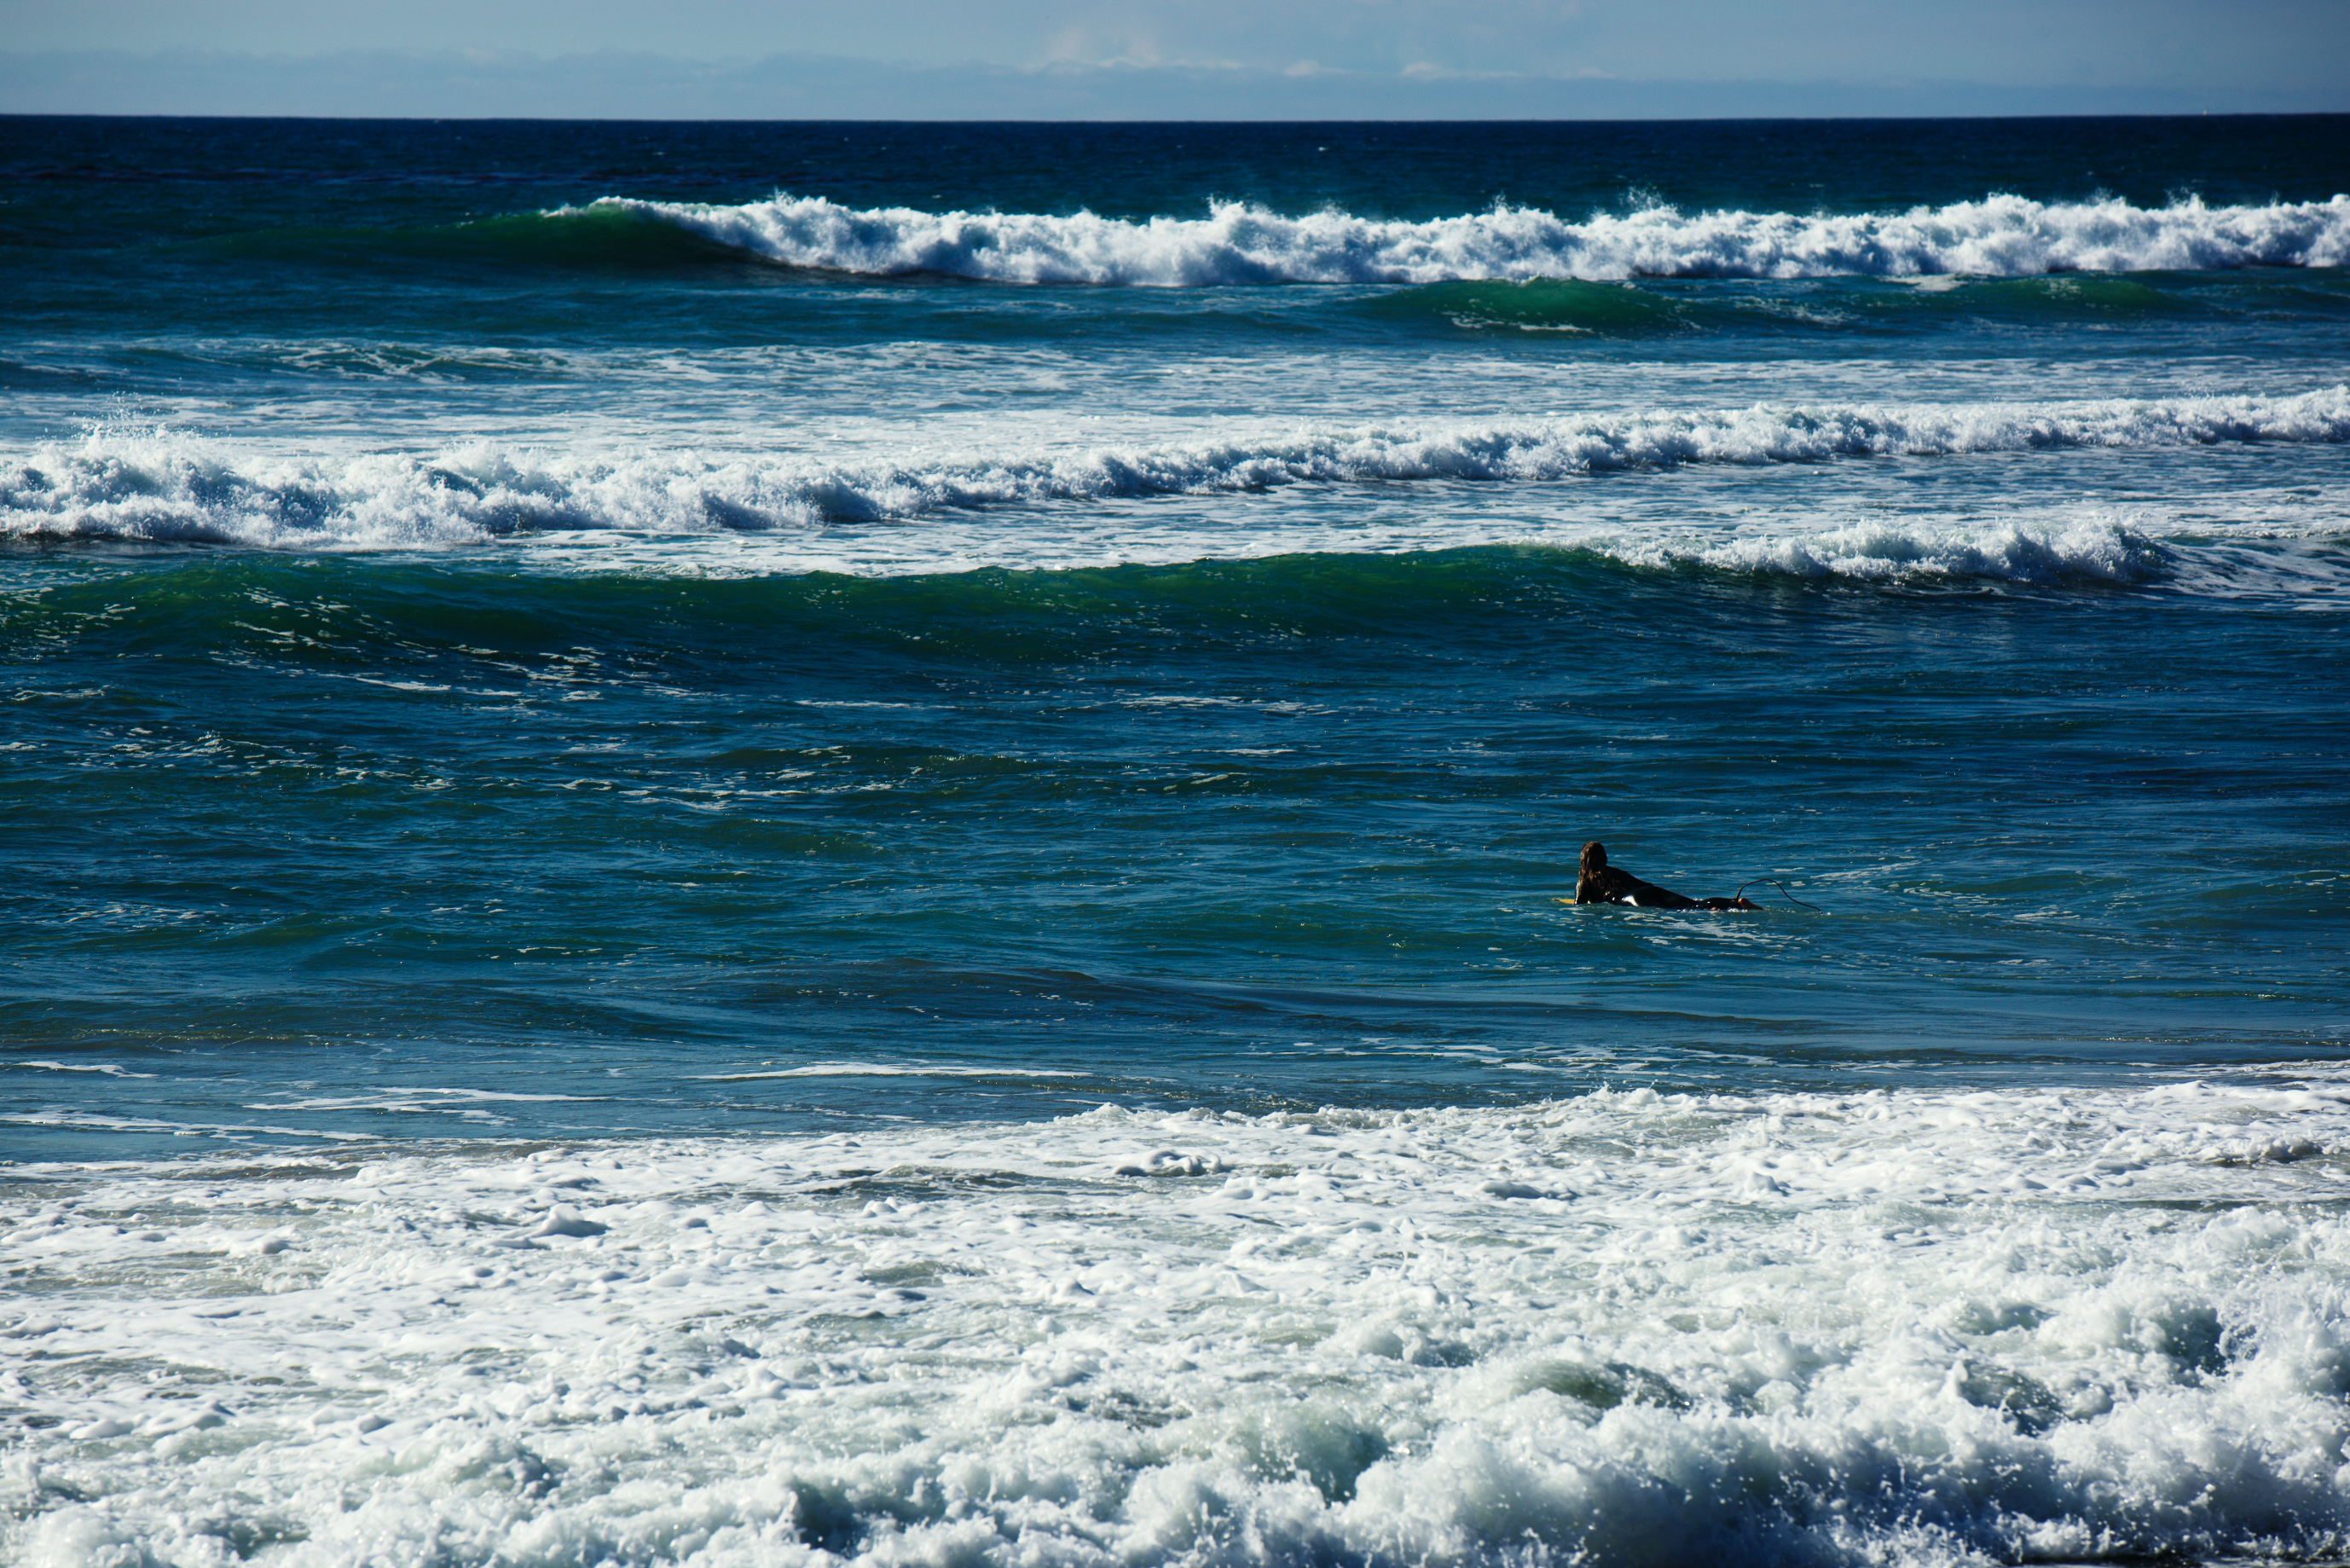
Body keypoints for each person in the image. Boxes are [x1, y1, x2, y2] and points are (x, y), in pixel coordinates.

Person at [1572, 841, 1757, 911]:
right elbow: (1646, 884)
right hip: (1648, 891)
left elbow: (1579, 905)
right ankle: (1735, 903)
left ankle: (1715, 911)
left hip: (1630, 900)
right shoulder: (1618, 872)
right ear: (1604, 858)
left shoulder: (1585, 880)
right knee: (1694, 904)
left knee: (1682, 911)